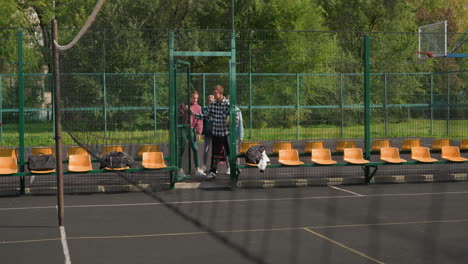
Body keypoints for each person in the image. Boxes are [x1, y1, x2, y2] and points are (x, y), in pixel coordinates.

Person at [195, 85, 230, 179]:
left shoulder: (227, 104)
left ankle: (232, 169)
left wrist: (231, 122)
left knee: (229, 152)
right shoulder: (212, 104)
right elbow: (206, 116)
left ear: (221, 93)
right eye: (213, 93)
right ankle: (212, 172)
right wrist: (195, 115)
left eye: (215, 93)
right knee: (215, 153)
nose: (214, 95)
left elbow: (235, 117)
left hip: (226, 133)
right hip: (216, 133)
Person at [177, 91, 205, 178]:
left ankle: (197, 169)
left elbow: (200, 120)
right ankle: (179, 169)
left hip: (192, 129)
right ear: (190, 97)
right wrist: (184, 110)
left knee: (195, 148)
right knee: (181, 147)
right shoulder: (183, 105)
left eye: (196, 98)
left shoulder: (198, 108)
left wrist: (199, 132)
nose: (195, 100)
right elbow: (178, 116)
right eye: (194, 98)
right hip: (183, 128)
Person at [201, 95, 215, 172]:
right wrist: (203, 132)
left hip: (215, 133)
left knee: (215, 151)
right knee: (206, 150)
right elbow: (202, 121)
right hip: (207, 133)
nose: (210, 102)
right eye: (209, 101)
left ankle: (213, 167)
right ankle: (204, 166)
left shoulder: (216, 109)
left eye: (212, 101)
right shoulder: (204, 109)